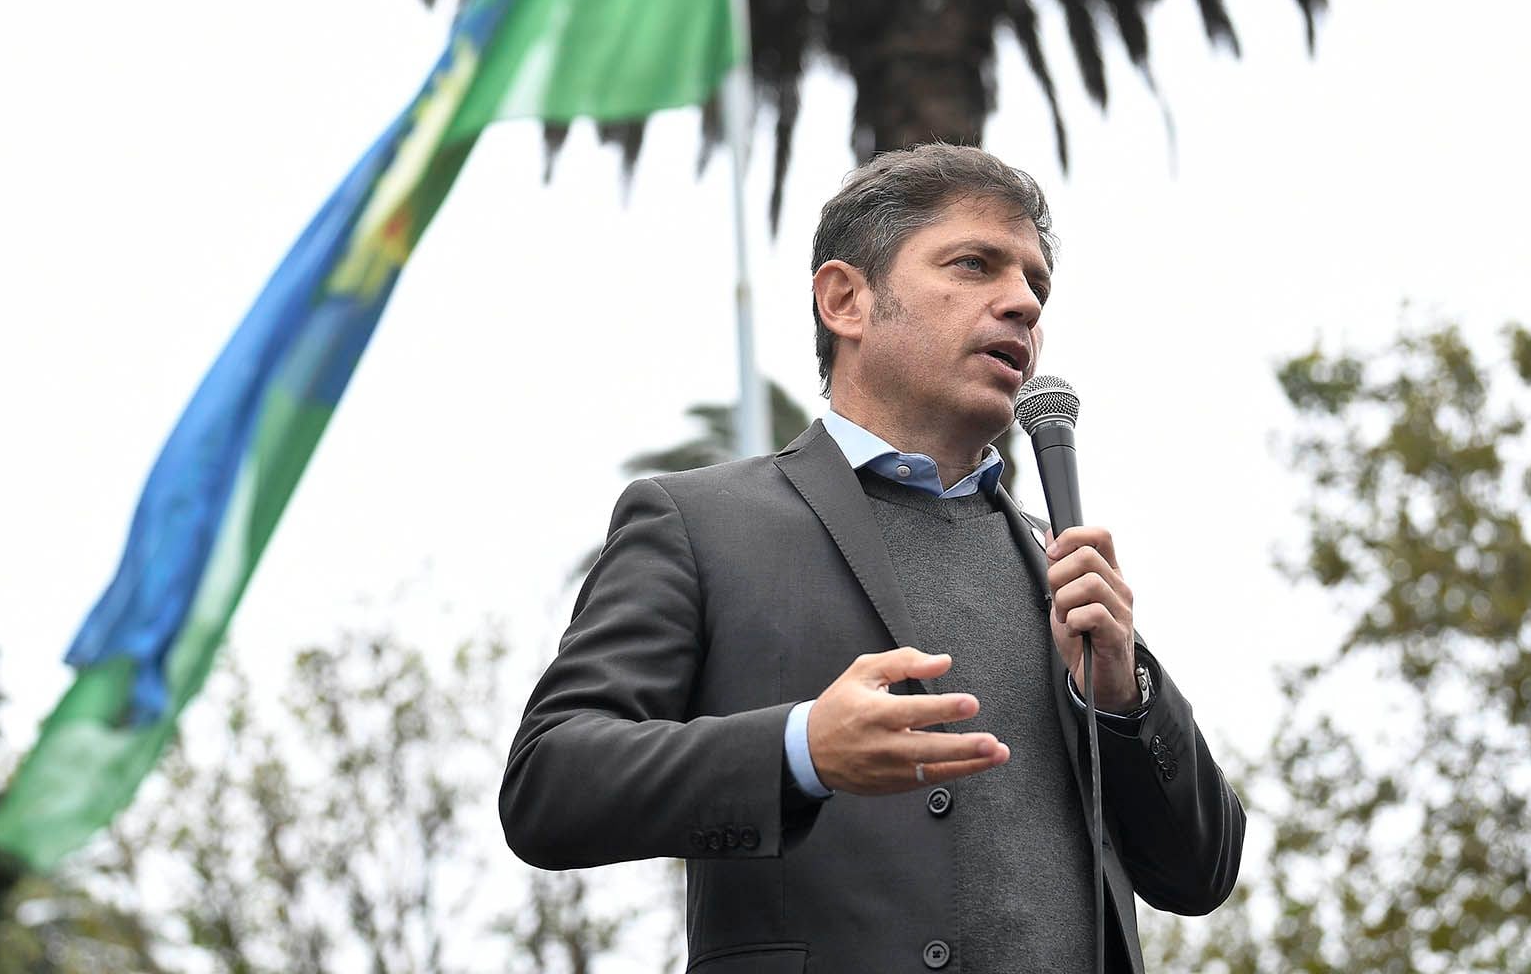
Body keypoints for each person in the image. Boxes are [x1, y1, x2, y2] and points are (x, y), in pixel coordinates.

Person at [500, 143, 1245, 973]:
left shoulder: (1060, 564)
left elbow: (1201, 873)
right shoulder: (698, 523)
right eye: (975, 265)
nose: (1023, 305)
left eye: (1036, 285)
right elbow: (549, 786)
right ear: (845, 300)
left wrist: (1122, 698)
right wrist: (802, 750)